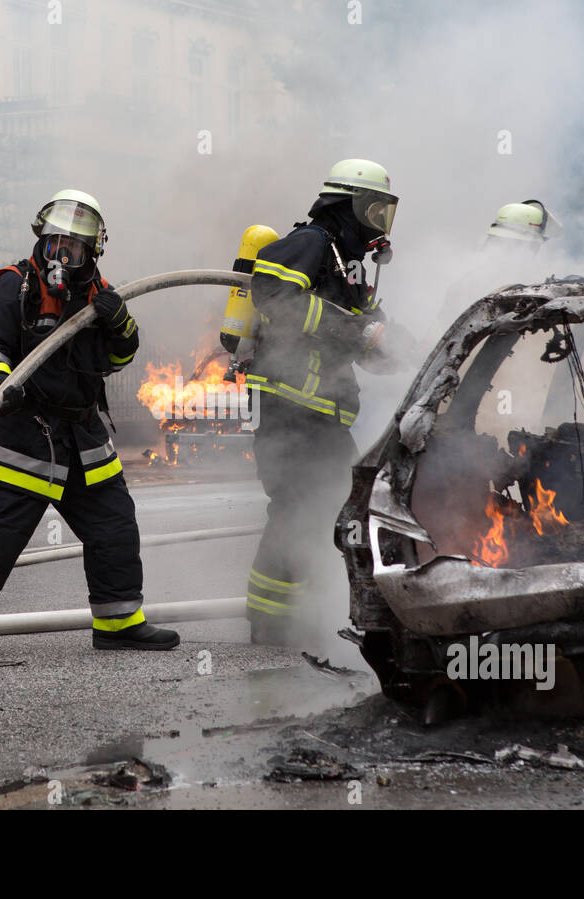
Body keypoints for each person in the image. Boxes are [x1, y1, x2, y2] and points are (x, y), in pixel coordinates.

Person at [0, 190, 179, 657]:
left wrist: (120, 323)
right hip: (27, 430)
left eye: (74, 248)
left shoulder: (101, 295)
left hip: (83, 436)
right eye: (55, 243)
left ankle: (118, 621)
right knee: (3, 530)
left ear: (92, 252)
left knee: (115, 524)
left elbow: (119, 358)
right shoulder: (14, 284)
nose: (63, 255)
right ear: (41, 241)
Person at [243, 159, 400, 645]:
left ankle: (309, 611)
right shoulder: (311, 242)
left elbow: (363, 342)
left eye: (384, 212)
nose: (378, 222)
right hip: (289, 409)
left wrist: (395, 346)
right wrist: (354, 327)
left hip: (324, 413)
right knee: (296, 508)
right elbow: (271, 292)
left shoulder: (345, 265)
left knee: (337, 509)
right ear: (347, 205)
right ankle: (268, 626)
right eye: (372, 210)